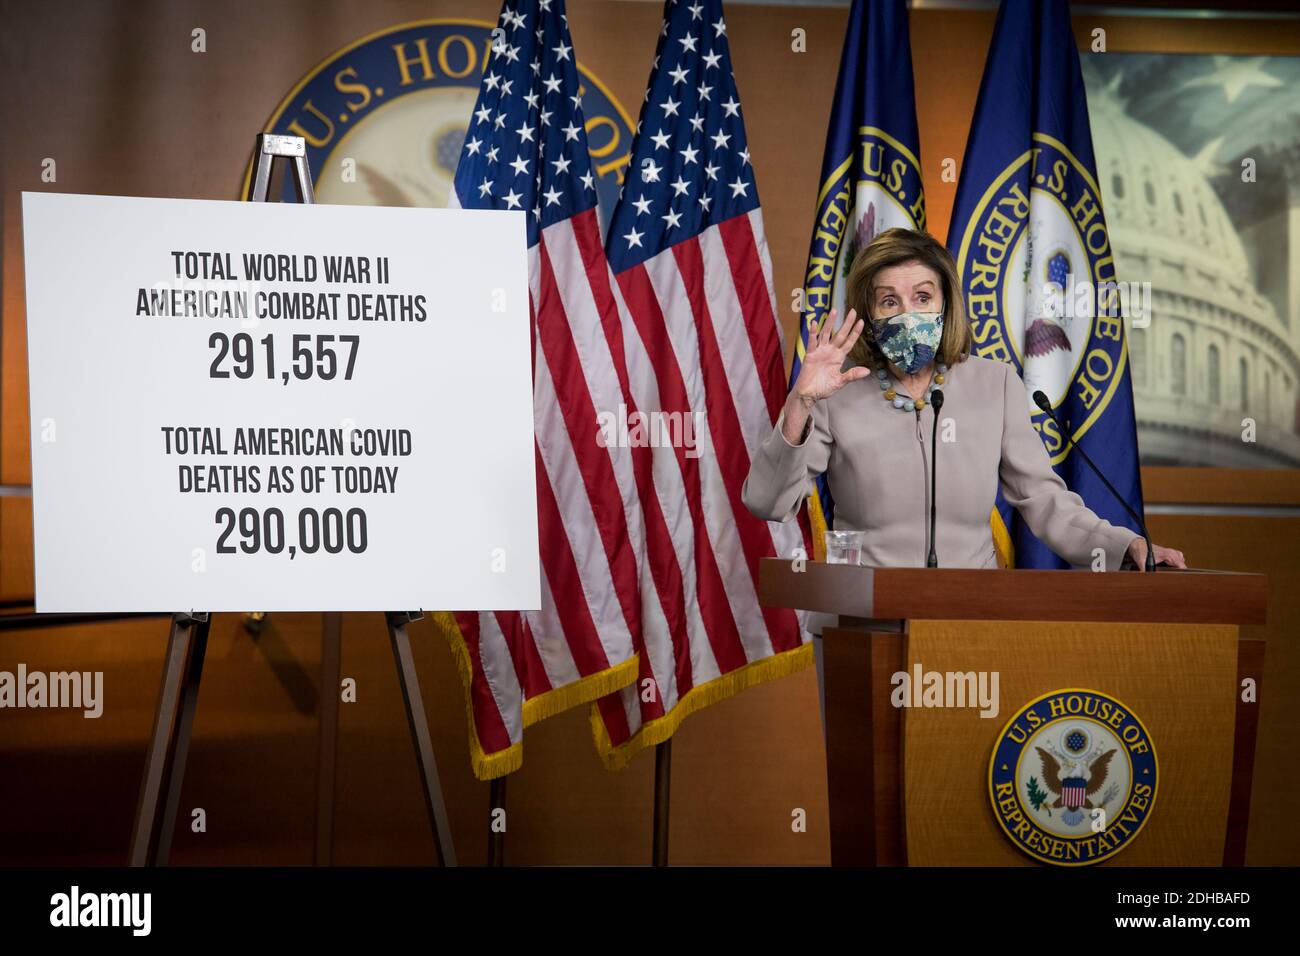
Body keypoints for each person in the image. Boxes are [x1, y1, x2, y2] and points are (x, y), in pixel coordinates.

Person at [742, 227, 1186, 572]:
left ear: (945, 305)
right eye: (888, 302)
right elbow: (768, 502)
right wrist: (800, 401)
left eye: (922, 297)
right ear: (870, 314)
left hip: (967, 619)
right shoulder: (836, 394)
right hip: (862, 620)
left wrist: (1123, 544)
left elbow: (1044, 500)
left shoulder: (996, 385)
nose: (907, 313)